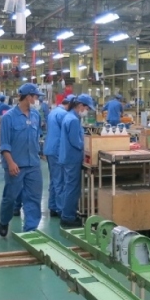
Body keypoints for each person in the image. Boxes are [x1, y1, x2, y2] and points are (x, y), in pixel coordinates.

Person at [0, 83, 44, 237]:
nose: (37, 100)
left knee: (34, 198)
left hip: (33, 164)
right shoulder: (8, 118)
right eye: (35, 97)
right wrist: (10, 163)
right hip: (15, 165)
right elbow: (4, 144)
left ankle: (30, 230)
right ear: (28, 97)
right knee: (10, 197)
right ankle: (4, 220)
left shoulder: (36, 115)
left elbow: (37, 137)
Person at [58, 94, 96, 228]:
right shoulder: (73, 120)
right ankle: (68, 217)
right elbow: (76, 142)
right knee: (72, 188)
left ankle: (66, 213)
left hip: (67, 157)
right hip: (72, 158)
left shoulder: (69, 117)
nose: (87, 111)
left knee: (68, 186)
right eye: (87, 108)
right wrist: (89, 147)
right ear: (80, 106)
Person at [44, 94, 75, 218]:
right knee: (60, 181)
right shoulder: (63, 114)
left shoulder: (54, 111)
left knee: (54, 179)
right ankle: (61, 209)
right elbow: (69, 132)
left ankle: (53, 206)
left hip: (49, 149)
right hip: (57, 150)